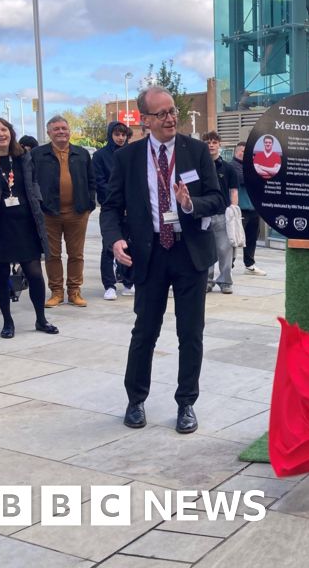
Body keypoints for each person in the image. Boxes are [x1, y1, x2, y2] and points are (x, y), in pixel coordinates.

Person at [100, 86, 226, 434]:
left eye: (173, 111)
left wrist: (190, 205)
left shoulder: (197, 151)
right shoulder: (128, 158)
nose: (171, 118)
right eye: (162, 114)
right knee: (144, 332)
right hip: (150, 254)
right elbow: (110, 207)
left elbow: (216, 199)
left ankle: (186, 403)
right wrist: (114, 240)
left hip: (189, 254)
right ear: (145, 120)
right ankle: (135, 399)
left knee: (191, 333)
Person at [0, 118, 58, 338]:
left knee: (35, 274)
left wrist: (36, 200)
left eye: (4, 130)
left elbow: (33, 182)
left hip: (25, 224)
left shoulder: (23, 157)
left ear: (11, 132)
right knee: (0, 274)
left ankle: (41, 319)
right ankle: (7, 322)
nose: (1, 134)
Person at [32, 115, 96, 307]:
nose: (61, 132)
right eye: (57, 129)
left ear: (69, 131)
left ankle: (74, 291)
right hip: (48, 213)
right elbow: (31, 182)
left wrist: (90, 204)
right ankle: (56, 292)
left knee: (76, 254)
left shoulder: (82, 153)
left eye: (64, 128)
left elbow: (91, 181)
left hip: (77, 213)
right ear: (49, 132)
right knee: (52, 255)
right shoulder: (38, 154)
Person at [93, 121, 134, 301]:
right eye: (117, 134)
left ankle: (128, 281)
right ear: (111, 135)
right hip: (111, 207)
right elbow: (99, 181)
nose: (120, 138)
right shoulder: (100, 156)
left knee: (130, 246)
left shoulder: (131, 153)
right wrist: (115, 197)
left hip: (130, 208)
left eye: (123, 134)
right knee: (109, 247)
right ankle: (109, 285)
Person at [202, 131, 239, 294]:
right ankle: (207, 281)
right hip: (204, 215)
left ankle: (225, 281)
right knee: (206, 249)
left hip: (223, 214)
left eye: (214, 142)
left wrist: (233, 210)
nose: (211, 145)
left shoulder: (229, 169)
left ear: (219, 145)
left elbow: (234, 191)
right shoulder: (198, 167)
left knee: (225, 249)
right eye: (208, 142)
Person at [232, 141, 267, 276]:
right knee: (234, 240)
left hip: (254, 209)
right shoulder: (232, 166)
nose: (245, 154)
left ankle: (250, 264)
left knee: (252, 238)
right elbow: (242, 179)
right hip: (240, 210)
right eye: (243, 151)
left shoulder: (252, 167)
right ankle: (228, 265)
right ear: (237, 152)